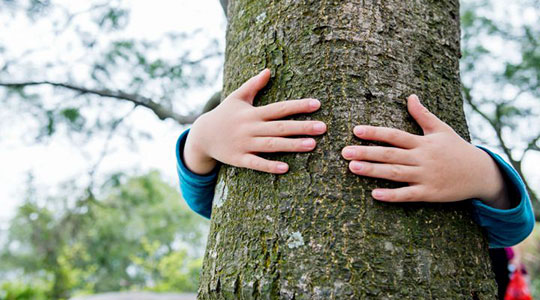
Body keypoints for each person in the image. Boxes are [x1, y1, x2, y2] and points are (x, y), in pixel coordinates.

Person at [176, 69, 535, 249]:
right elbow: (202, 200)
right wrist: (200, 139)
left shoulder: (446, 176)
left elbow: (514, 229)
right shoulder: (226, 190)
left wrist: (481, 173)